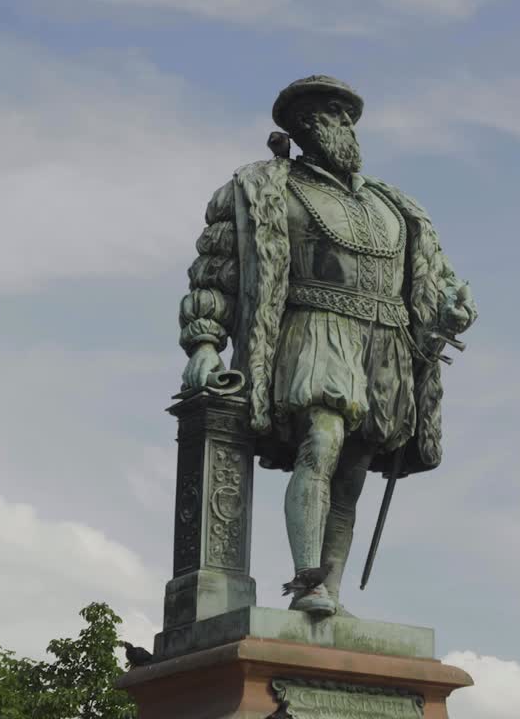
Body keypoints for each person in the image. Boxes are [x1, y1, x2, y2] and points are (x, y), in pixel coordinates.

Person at [177, 75, 477, 616]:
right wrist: (204, 342)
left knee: (354, 471)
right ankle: (306, 580)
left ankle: (330, 593)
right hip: (314, 329)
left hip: (385, 345)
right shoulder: (262, 188)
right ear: (305, 124)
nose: (345, 125)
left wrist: (452, 308)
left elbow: (436, 281)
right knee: (322, 438)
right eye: (332, 114)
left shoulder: (394, 205)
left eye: (348, 116)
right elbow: (215, 271)